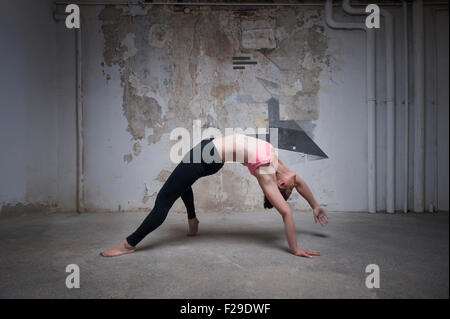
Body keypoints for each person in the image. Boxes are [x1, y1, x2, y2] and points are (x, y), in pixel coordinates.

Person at [100, 133, 328, 258]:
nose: (287, 184)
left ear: (276, 185)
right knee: (181, 184)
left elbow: (286, 212)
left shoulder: (267, 174)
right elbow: (299, 182)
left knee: (163, 200)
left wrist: (294, 248)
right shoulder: (282, 168)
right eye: (288, 188)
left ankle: (129, 244)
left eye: (284, 188)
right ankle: (192, 221)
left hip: (205, 156)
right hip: (208, 151)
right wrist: (315, 206)